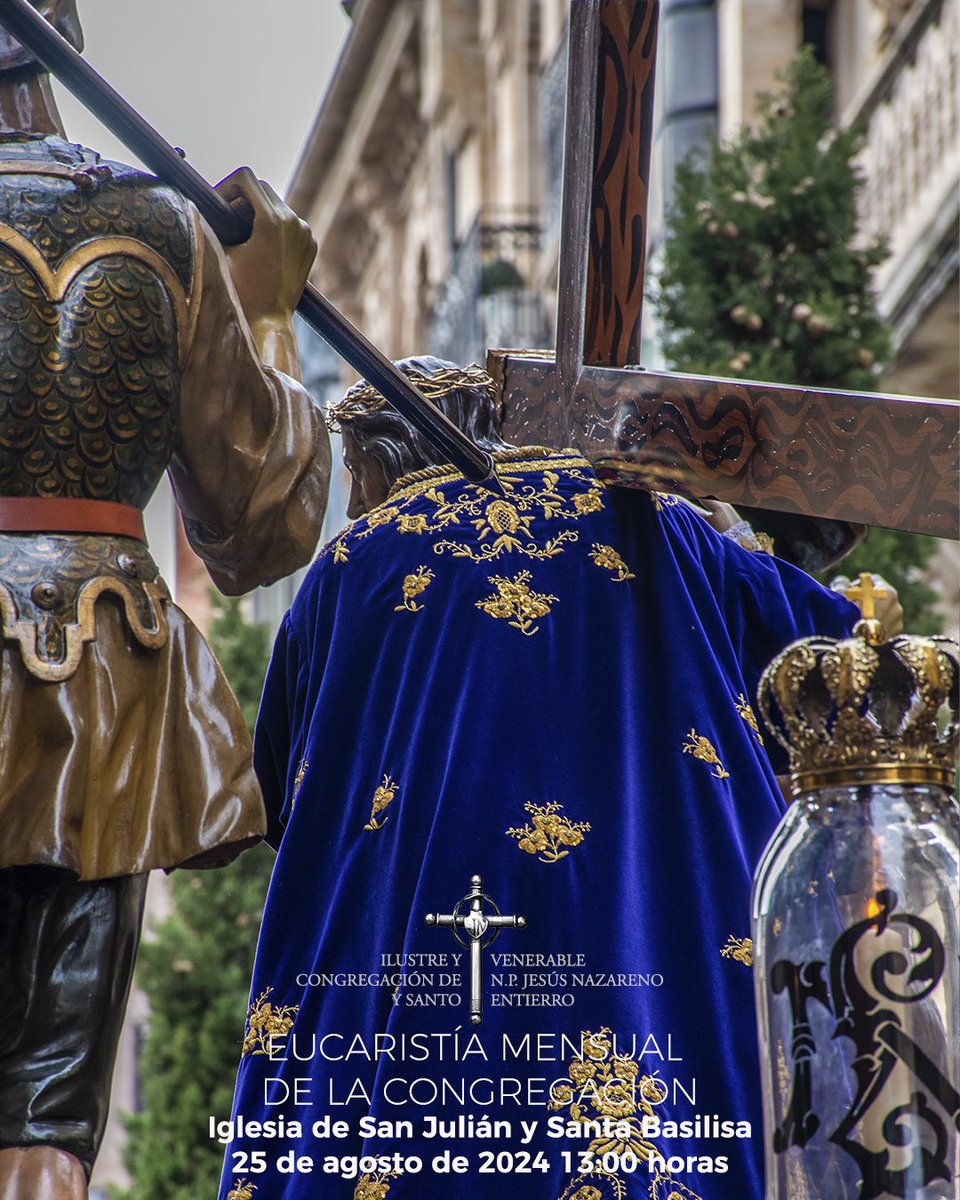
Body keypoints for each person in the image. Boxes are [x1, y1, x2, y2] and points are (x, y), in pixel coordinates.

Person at [219, 357, 860, 1200]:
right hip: (644, 938)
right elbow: (827, 651)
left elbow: (274, 795)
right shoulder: (653, 521)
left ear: (379, 463)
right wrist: (729, 529)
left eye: (355, 478)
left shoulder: (348, 567)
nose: (351, 504)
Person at [0, 4, 330, 1197]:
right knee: (46, 1112)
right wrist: (269, 309)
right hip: (101, 690)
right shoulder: (163, 229)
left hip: (97, 702)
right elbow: (262, 523)